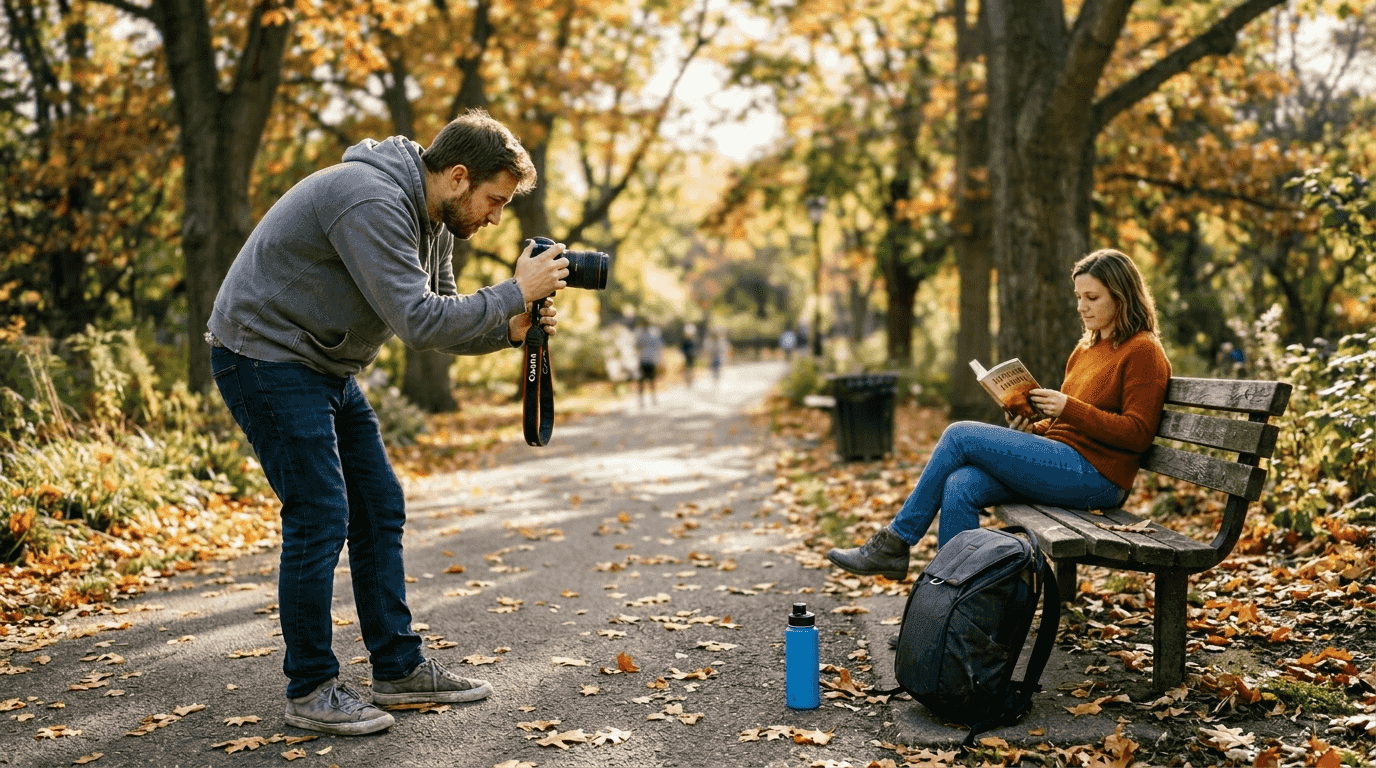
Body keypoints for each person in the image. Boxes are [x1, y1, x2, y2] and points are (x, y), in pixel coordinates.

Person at [205, 110, 570, 736]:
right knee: (321, 511)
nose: (495, 218)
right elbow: (418, 319)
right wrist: (515, 291)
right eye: (494, 200)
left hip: (322, 364)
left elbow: (443, 320)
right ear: (458, 177)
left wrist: (510, 331)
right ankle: (311, 688)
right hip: (263, 353)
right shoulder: (371, 200)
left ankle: (396, 669)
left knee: (378, 504)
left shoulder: (434, 220)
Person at [827, 249, 1171, 581]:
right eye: (1078, 296)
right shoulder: (1085, 349)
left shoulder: (1143, 350)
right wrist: (1031, 426)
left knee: (959, 434)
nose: (1081, 306)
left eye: (1092, 298)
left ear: (1121, 297)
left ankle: (895, 542)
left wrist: (1069, 407)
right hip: (1065, 462)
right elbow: (1066, 426)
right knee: (960, 484)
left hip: (1099, 477)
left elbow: (1137, 433)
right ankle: (952, 609)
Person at [635, 320, 664, 405]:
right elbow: (635, 345)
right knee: (641, 381)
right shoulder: (639, 333)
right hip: (643, 359)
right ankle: (642, 400)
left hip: (650, 359)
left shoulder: (653, 333)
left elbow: (659, 346)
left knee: (651, 381)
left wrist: (659, 359)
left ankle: (653, 398)